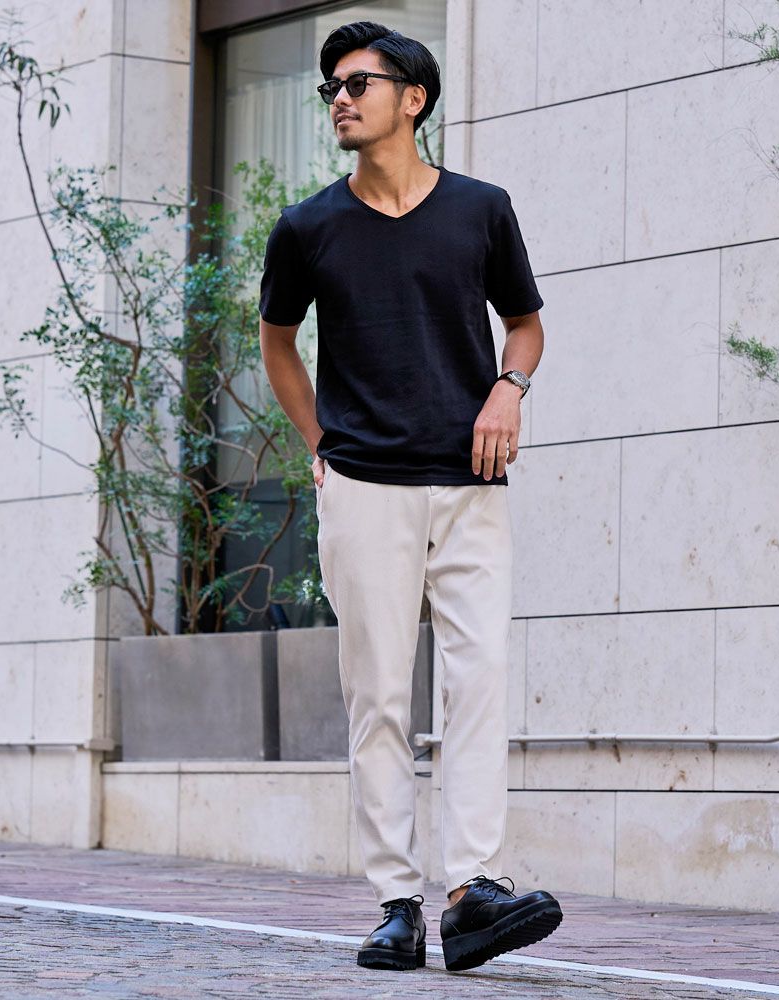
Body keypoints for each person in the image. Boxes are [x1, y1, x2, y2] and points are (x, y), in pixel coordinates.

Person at [257, 19, 562, 974]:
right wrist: (319, 442)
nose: (340, 100)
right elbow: (276, 343)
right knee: (379, 698)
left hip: (472, 487)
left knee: (478, 686)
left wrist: (507, 391)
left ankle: (472, 892)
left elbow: (525, 324)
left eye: (358, 83)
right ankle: (396, 903)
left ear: (412, 98)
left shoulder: (480, 210)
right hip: (365, 488)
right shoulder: (308, 227)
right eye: (331, 90)